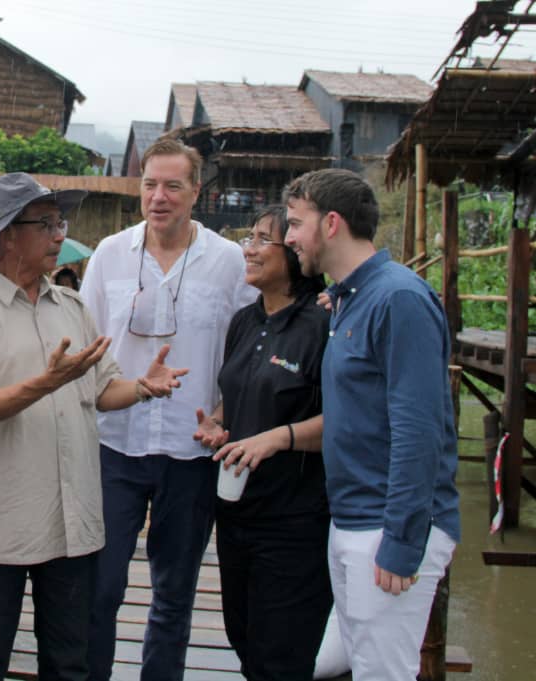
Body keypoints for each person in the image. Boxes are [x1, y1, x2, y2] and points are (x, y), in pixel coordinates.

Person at [0, 172, 188, 680]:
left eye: (59, 222)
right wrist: (45, 384)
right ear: (7, 235)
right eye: (46, 224)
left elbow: (101, 389)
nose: (59, 236)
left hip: (71, 523)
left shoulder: (71, 306)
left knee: (70, 663)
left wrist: (140, 386)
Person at [79, 136, 256, 681]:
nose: (159, 197)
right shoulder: (109, 253)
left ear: (196, 192)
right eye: (150, 184)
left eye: (172, 186)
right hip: (115, 441)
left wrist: (226, 412)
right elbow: (85, 344)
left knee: (174, 591)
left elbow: (249, 347)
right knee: (101, 588)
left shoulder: (229, 261)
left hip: (191, 449)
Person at [283, 168, 460, 681]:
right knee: (349, 667)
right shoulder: (350, 297)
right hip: (353, 518)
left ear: (331, 223)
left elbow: (419, 429)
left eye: (296, 223)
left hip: (387, 527)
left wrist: (403, 542)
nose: (289, 237)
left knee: (384, 673)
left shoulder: (399, 299)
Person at [193, 206, 332, 680]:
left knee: (282, 655)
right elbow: (235, 397)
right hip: (235, 513)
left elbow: (349, 423)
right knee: (245, 639)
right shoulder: (244, 322)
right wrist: (215, 422)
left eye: (260, 240)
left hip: (295, 521)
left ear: (293, 252)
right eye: (246, 238)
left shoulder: (323, 324)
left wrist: (278, 439)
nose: (247, 250)